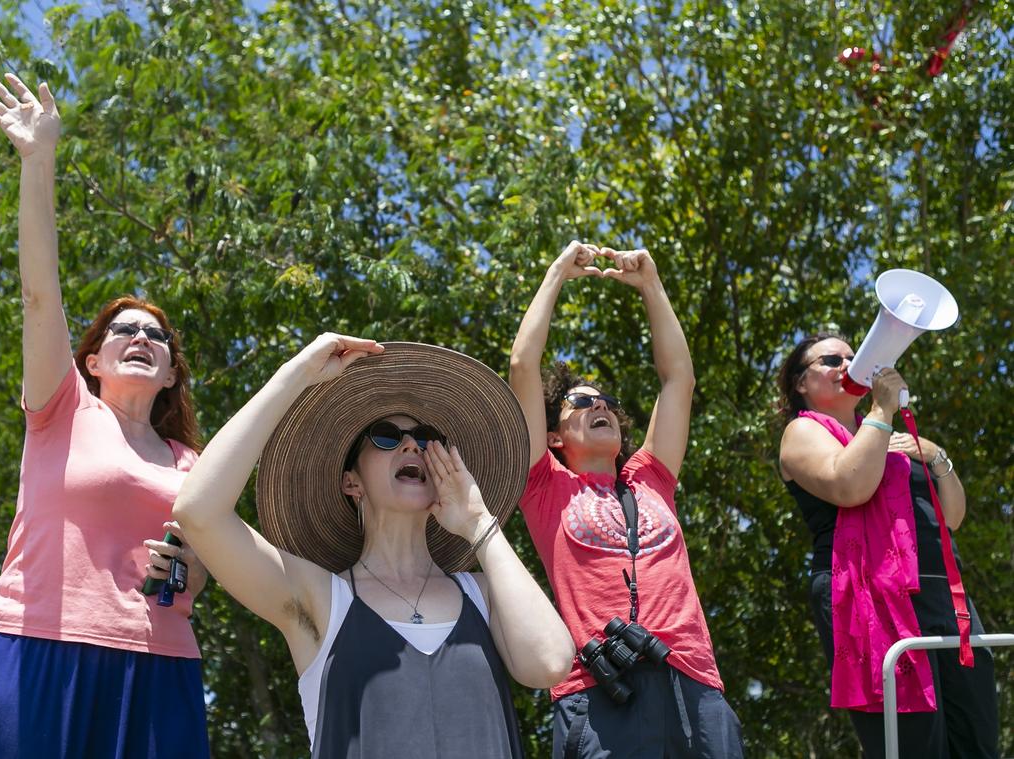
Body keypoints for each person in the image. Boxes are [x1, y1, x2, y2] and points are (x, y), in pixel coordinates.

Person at [0, 74, 211, 757]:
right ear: (91, 361)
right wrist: (38, 161)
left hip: (154, 668)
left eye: (158, 336)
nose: (142, 337)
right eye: (123, 331)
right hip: (32, 652)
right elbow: (39, 295)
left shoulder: (193, 463)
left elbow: (193, 582)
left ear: (171, 372)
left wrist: (186, 566)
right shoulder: (61, 409)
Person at [173, 336, 574, 757]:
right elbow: (200, 511)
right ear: (352, 482)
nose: (410, 445)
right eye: (385, 436)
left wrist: (478, 523)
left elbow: (550, 663)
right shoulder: (321, 600)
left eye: (425, 438)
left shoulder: (483, 593)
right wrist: (298, 375)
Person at [509, 240, 744, 758]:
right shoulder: (545, 485)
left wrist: (651, 286)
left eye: (609, 402)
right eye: (583, 401)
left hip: (693, 680)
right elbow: (523, 365)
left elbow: (678, 379)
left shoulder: (650, 478)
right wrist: (556, 275)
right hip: (600, 687)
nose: (602, 406)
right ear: (553, 436)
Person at [777, 332, 998, 759]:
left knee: (977, 737)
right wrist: (881, 410)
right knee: (913, 743)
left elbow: (949, 520)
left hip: (941, 596)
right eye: (830, 359)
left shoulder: (882, 435)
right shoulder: (801, 431)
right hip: (869, 594)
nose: (847, 365)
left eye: (852, 357)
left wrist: (936, 458)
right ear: (801, 383)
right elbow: (851, 486)